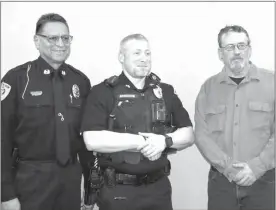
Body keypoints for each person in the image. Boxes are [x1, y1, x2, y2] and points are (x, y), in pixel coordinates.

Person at [81, 33, 194, 210]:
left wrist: (164, 141)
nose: (144, 59)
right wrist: (143, 142)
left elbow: (188, 134)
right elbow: (92, 140)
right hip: (118, 192)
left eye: (147, 53)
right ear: (121, 57)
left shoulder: (165, 91)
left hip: (159, 190)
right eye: (137, 53)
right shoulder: (102, 92)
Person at [1, 13, 91, 210]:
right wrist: (5, 193)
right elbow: (2, 139)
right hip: (31, 178)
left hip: (70, 180)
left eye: (65, 38)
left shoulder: (80, 82)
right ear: (37, 41)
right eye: (53, 38)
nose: (61, 43)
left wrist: (90, 189)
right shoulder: (16, 79)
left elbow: (86, 140)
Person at [194, 25, 275, 210]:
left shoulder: (272, 83)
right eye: (229, 47)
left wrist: (256, 167)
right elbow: (201, 135)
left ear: (250, 49)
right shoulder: (208, 88)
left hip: (264, 181)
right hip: (221, 182)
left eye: (241, 45)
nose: (237, 52)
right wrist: (228, 167)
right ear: (220, 54)